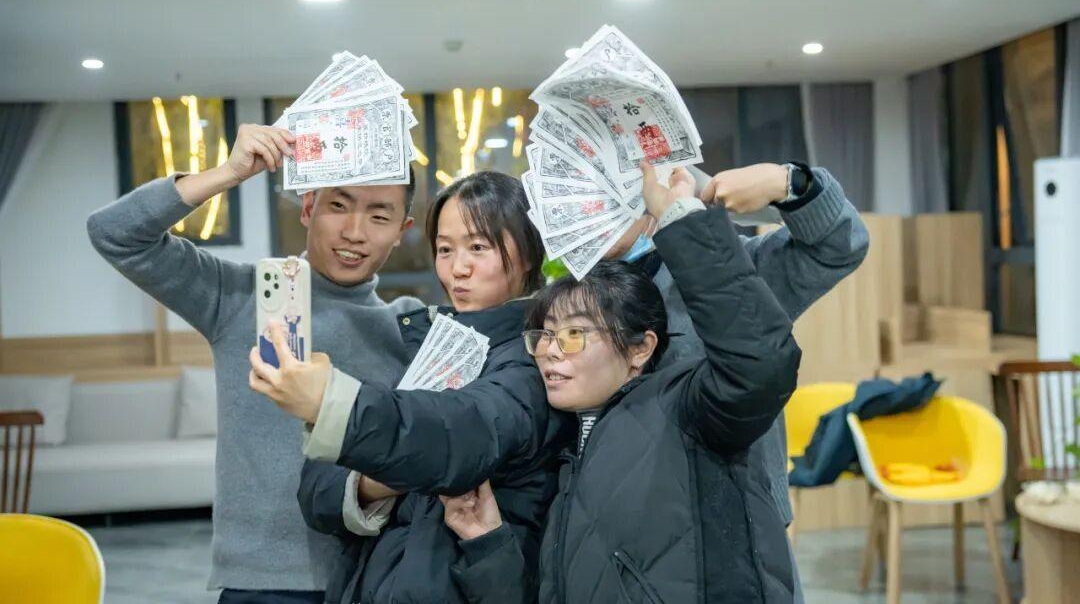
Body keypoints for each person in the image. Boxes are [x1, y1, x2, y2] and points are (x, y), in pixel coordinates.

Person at [87, 124, 421, 603]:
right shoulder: (237, 296)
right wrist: (227, 173)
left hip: (376, 578)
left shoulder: (408, 326)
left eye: (379, 215)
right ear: (308, 207)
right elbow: (114, 234)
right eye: (338, 205)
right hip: (262, 582)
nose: (354, 231)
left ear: (401, 232)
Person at [442, 162, 803, 602]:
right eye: (544, 335)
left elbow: (760, 364)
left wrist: (683, 222)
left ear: (640, 349)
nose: (550, 350)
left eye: (574, 334)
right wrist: (487, 542)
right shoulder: (566, 453)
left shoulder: (686, 418)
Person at [249, 171, 574, 603]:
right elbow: (316, 492)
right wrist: (385, 479)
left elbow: (462, 433)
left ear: (529, 252)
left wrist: (334, 405)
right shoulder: (430, 345)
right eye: (445, 249)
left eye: (478, 247)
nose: (457, 268)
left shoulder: (536, 359)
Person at [602, 160, 868, 600]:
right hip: (618, 534)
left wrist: (788, 183)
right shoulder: (570, 297)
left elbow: (840, 245)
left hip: (740, 525)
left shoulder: (731, 267)